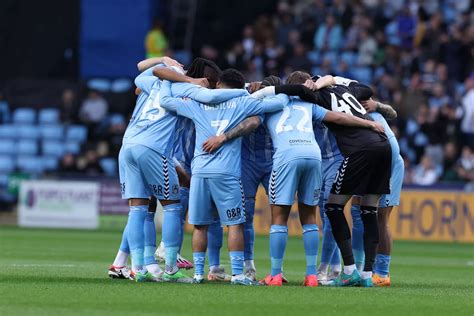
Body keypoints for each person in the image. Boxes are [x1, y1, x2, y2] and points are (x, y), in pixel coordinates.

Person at [204, 73, 384, 287]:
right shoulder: (309, 104)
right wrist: (368, 124)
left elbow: (250, 119)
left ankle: (275, 275)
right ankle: (311, 276)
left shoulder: (270, 103)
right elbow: (339, 117)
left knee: (279, 218)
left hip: (286, 155)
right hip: (313, 155)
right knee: (310, 218)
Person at [108, 56, 245, 283]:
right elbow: (214, 96)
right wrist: (248, 91)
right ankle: (171, 268)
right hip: (153, 148)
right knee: (172, 206)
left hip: (128, 144)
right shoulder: (190, 90)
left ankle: (138, 268)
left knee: (138, 210)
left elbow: (142, 70)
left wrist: (163, 60)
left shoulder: (153, 83)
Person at [256, 71, 391, 287]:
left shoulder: (296, 101)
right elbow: (365, 93)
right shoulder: (344, 92)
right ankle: (359, 275)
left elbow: (263, 110)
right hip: (380, 148)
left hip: (347, 152)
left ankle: (340, 271)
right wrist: (372, 116)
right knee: (366, 212)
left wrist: (260, 91)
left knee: (328, 209)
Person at [159, 69, 289, 285]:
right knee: (235, 224)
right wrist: (268, 89)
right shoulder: (243, 103)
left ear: (218, 84)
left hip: (199, 172)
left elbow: (165, 100)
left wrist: (169, 77)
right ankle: (238, 274)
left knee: (200, 225)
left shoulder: (198, 103)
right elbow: (280, 103)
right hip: (227, 173)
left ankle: (199, 274)